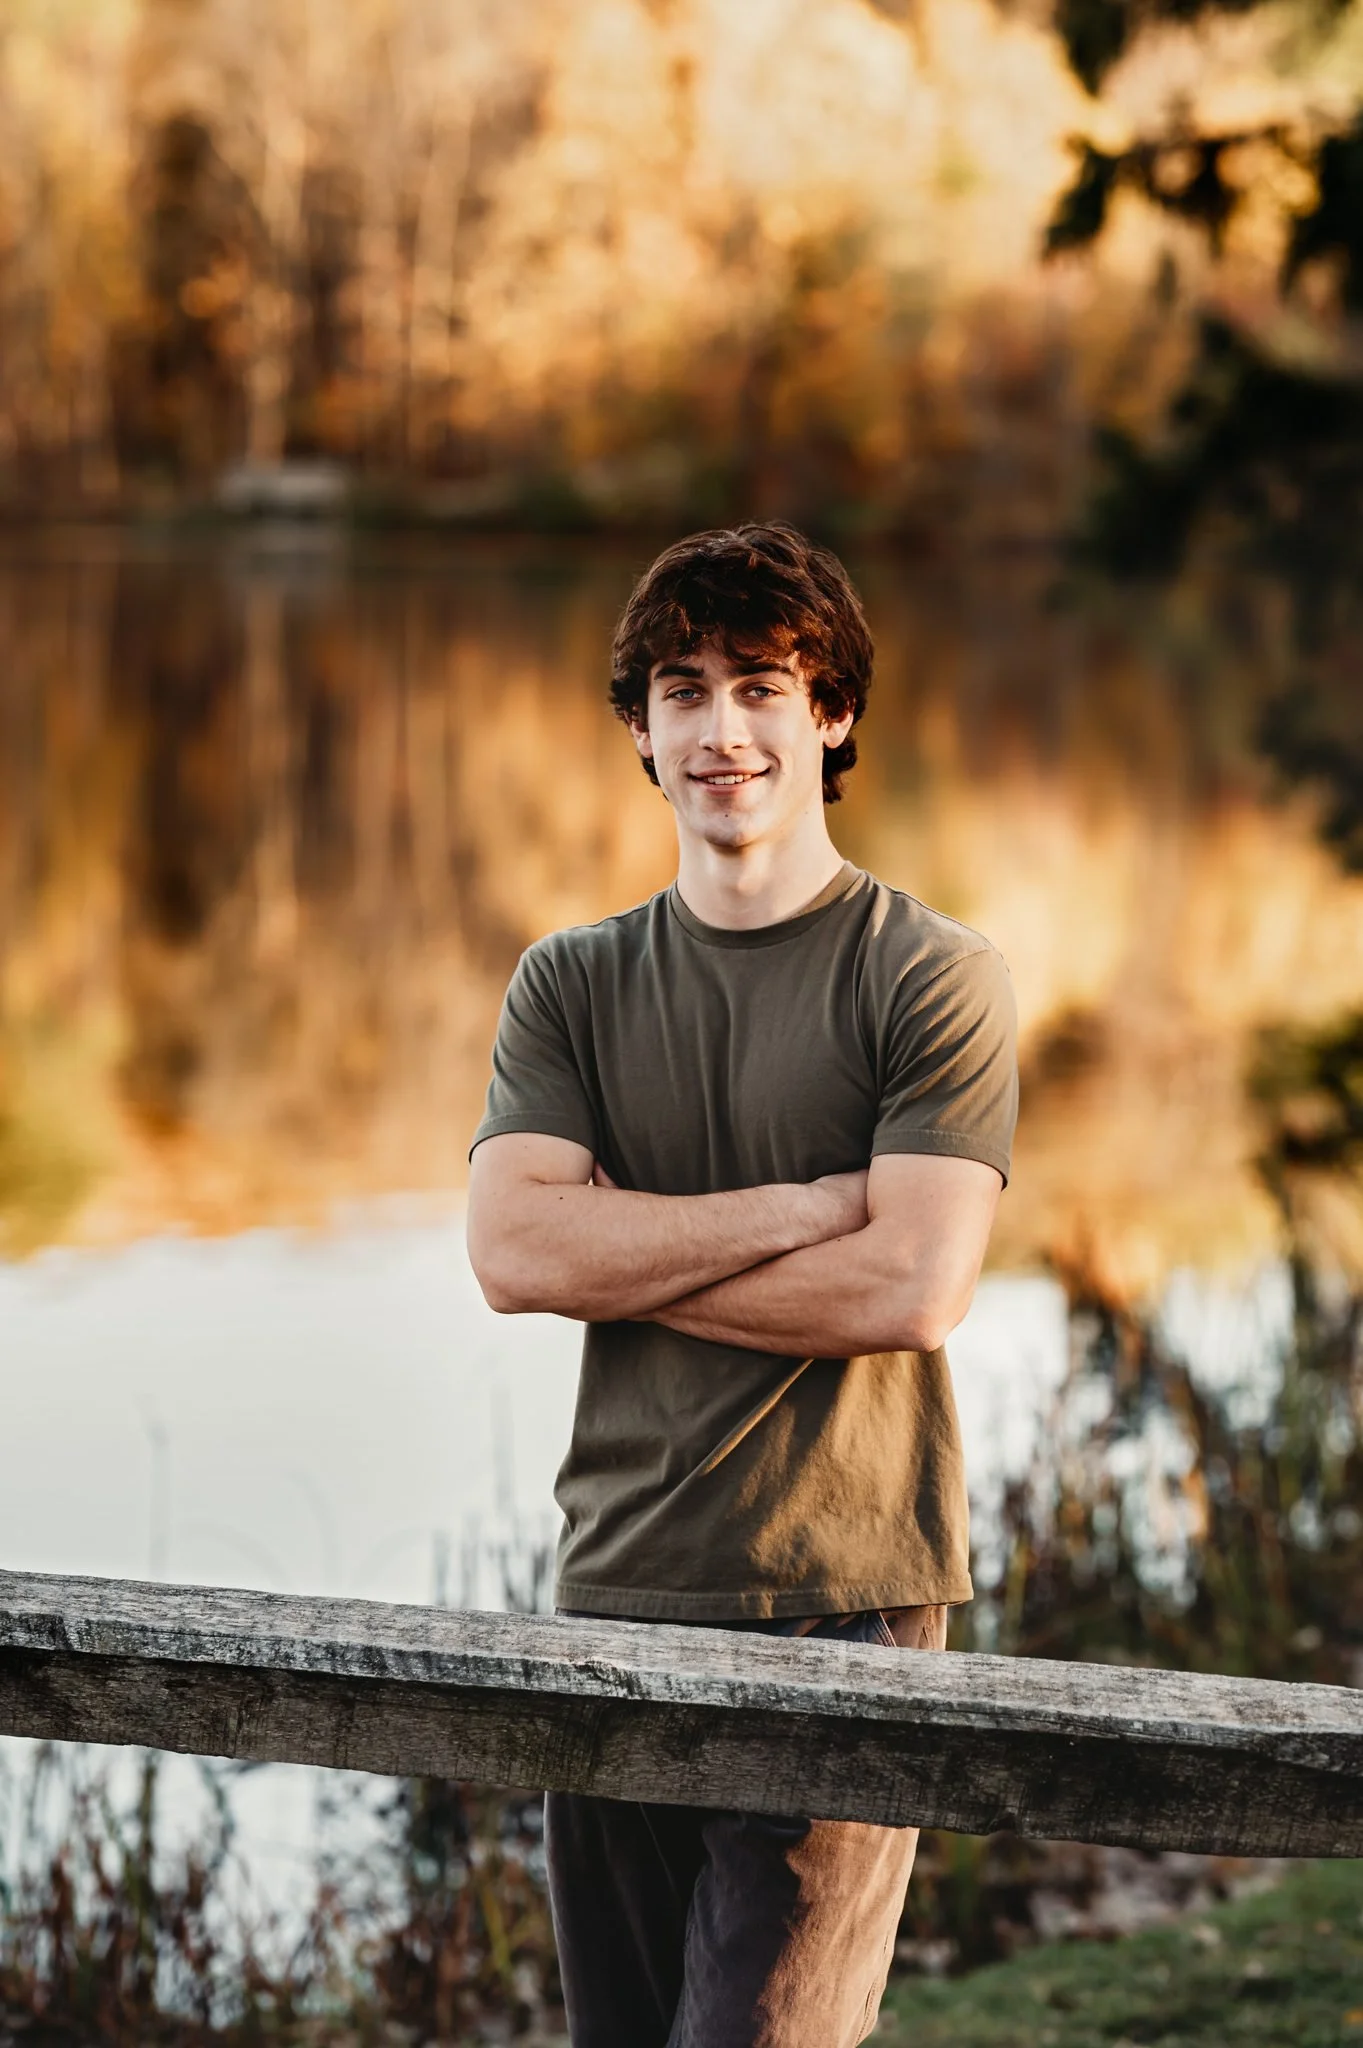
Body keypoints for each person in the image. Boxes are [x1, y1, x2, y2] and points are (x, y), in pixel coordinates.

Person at [465, 522, 1018, 2047]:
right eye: (681, 690)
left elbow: (907, 1288)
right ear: (638, 729)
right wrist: (793, 1209)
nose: (720, 732)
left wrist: (623, 1256)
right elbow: (513, 1254)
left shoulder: (926, 976)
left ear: (829, 713)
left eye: (761, 687)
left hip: (840, 1598)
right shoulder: (568, 985)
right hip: (617, 1586)